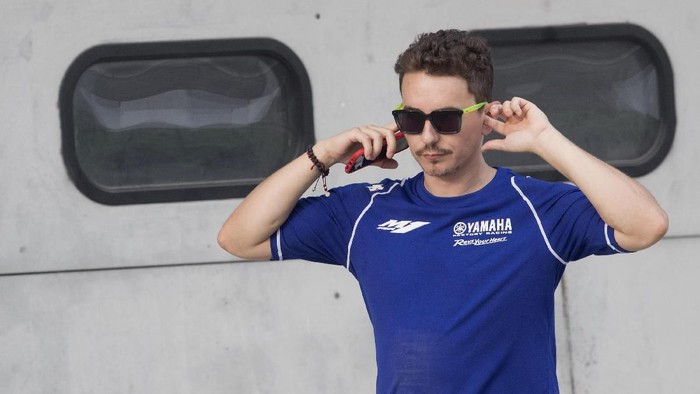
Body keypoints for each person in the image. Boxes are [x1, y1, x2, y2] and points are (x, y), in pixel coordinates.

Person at [218, 29, 668, 393]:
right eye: (412, 120)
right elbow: (240, 238)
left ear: (483, 113)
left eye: (447, 119)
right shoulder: (366, 211)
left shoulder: (537, 206)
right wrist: (323, 154)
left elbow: (646, 225)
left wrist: (546, 140)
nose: (428, 137)